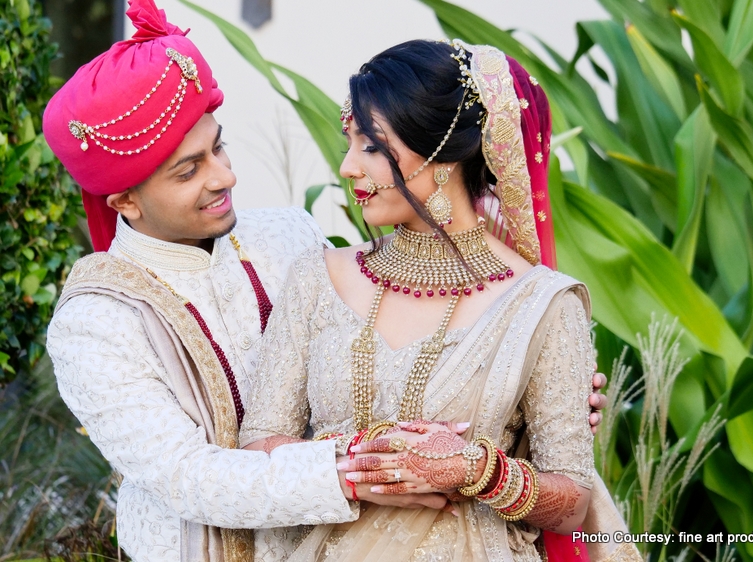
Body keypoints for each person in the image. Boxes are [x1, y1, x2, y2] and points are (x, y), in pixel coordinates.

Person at [43, 2, 607, 561]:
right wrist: (370, 464)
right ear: (125, 202)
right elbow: (191, 476)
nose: (226, 175)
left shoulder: (288, 237)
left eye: (219, 147)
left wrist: (540, 399)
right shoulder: (96, 322)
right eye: (189, 171)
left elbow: (557, 475)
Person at [240, 40, 639, 561]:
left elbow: (572, 505)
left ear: (443, 155)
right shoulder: (318, 277)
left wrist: (478, 469)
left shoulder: (540, 303)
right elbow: (258, 447)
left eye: (372, 147)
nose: (347, 169)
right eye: (350, 144)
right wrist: (356, 465)